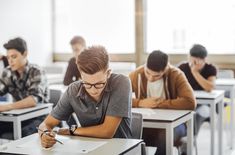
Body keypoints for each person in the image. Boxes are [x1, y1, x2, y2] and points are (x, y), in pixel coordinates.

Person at [38, 45, 132, 148]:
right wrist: (44, 134)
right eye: (87, 84)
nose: (93, 90)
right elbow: (45, 124)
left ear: (108, 73)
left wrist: (72, 130)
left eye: (99, 84)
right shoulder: (73, 90)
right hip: (87, 148)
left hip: (120, 149)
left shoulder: (121, 82)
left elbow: (107, 132)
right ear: (81, 75)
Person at [129, 50, 196, 155]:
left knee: (163, 137)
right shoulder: (137, 74)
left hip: (175, 124)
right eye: (148, 73)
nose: (151, 78)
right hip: (148, 124)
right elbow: (120, 100)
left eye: (156, 76)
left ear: (165, 69)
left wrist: (158, 103)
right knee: (133, 134)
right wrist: (140, 103)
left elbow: (190, 102)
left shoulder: (176, 75)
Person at [0, 37, 49, 138]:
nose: (10, 61)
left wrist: (6, 107)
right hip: (17, 117)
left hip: (40, 118)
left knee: (24, 133)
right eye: (8, 57)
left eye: (14, 57)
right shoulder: (7, 72)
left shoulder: (37, 71)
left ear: (25, 54)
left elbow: (33, 100)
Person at [178, 44, 217, 136]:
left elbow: (210, 87)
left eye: (199, 60)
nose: (196, 63)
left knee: (200, 113)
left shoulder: (210, 68)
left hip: (205, 104)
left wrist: (194, 72)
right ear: (189, 57)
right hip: (187, 103)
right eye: (193, 60)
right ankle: (184, 138)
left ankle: (190, 138)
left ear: (205, 59)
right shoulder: (182, 67)